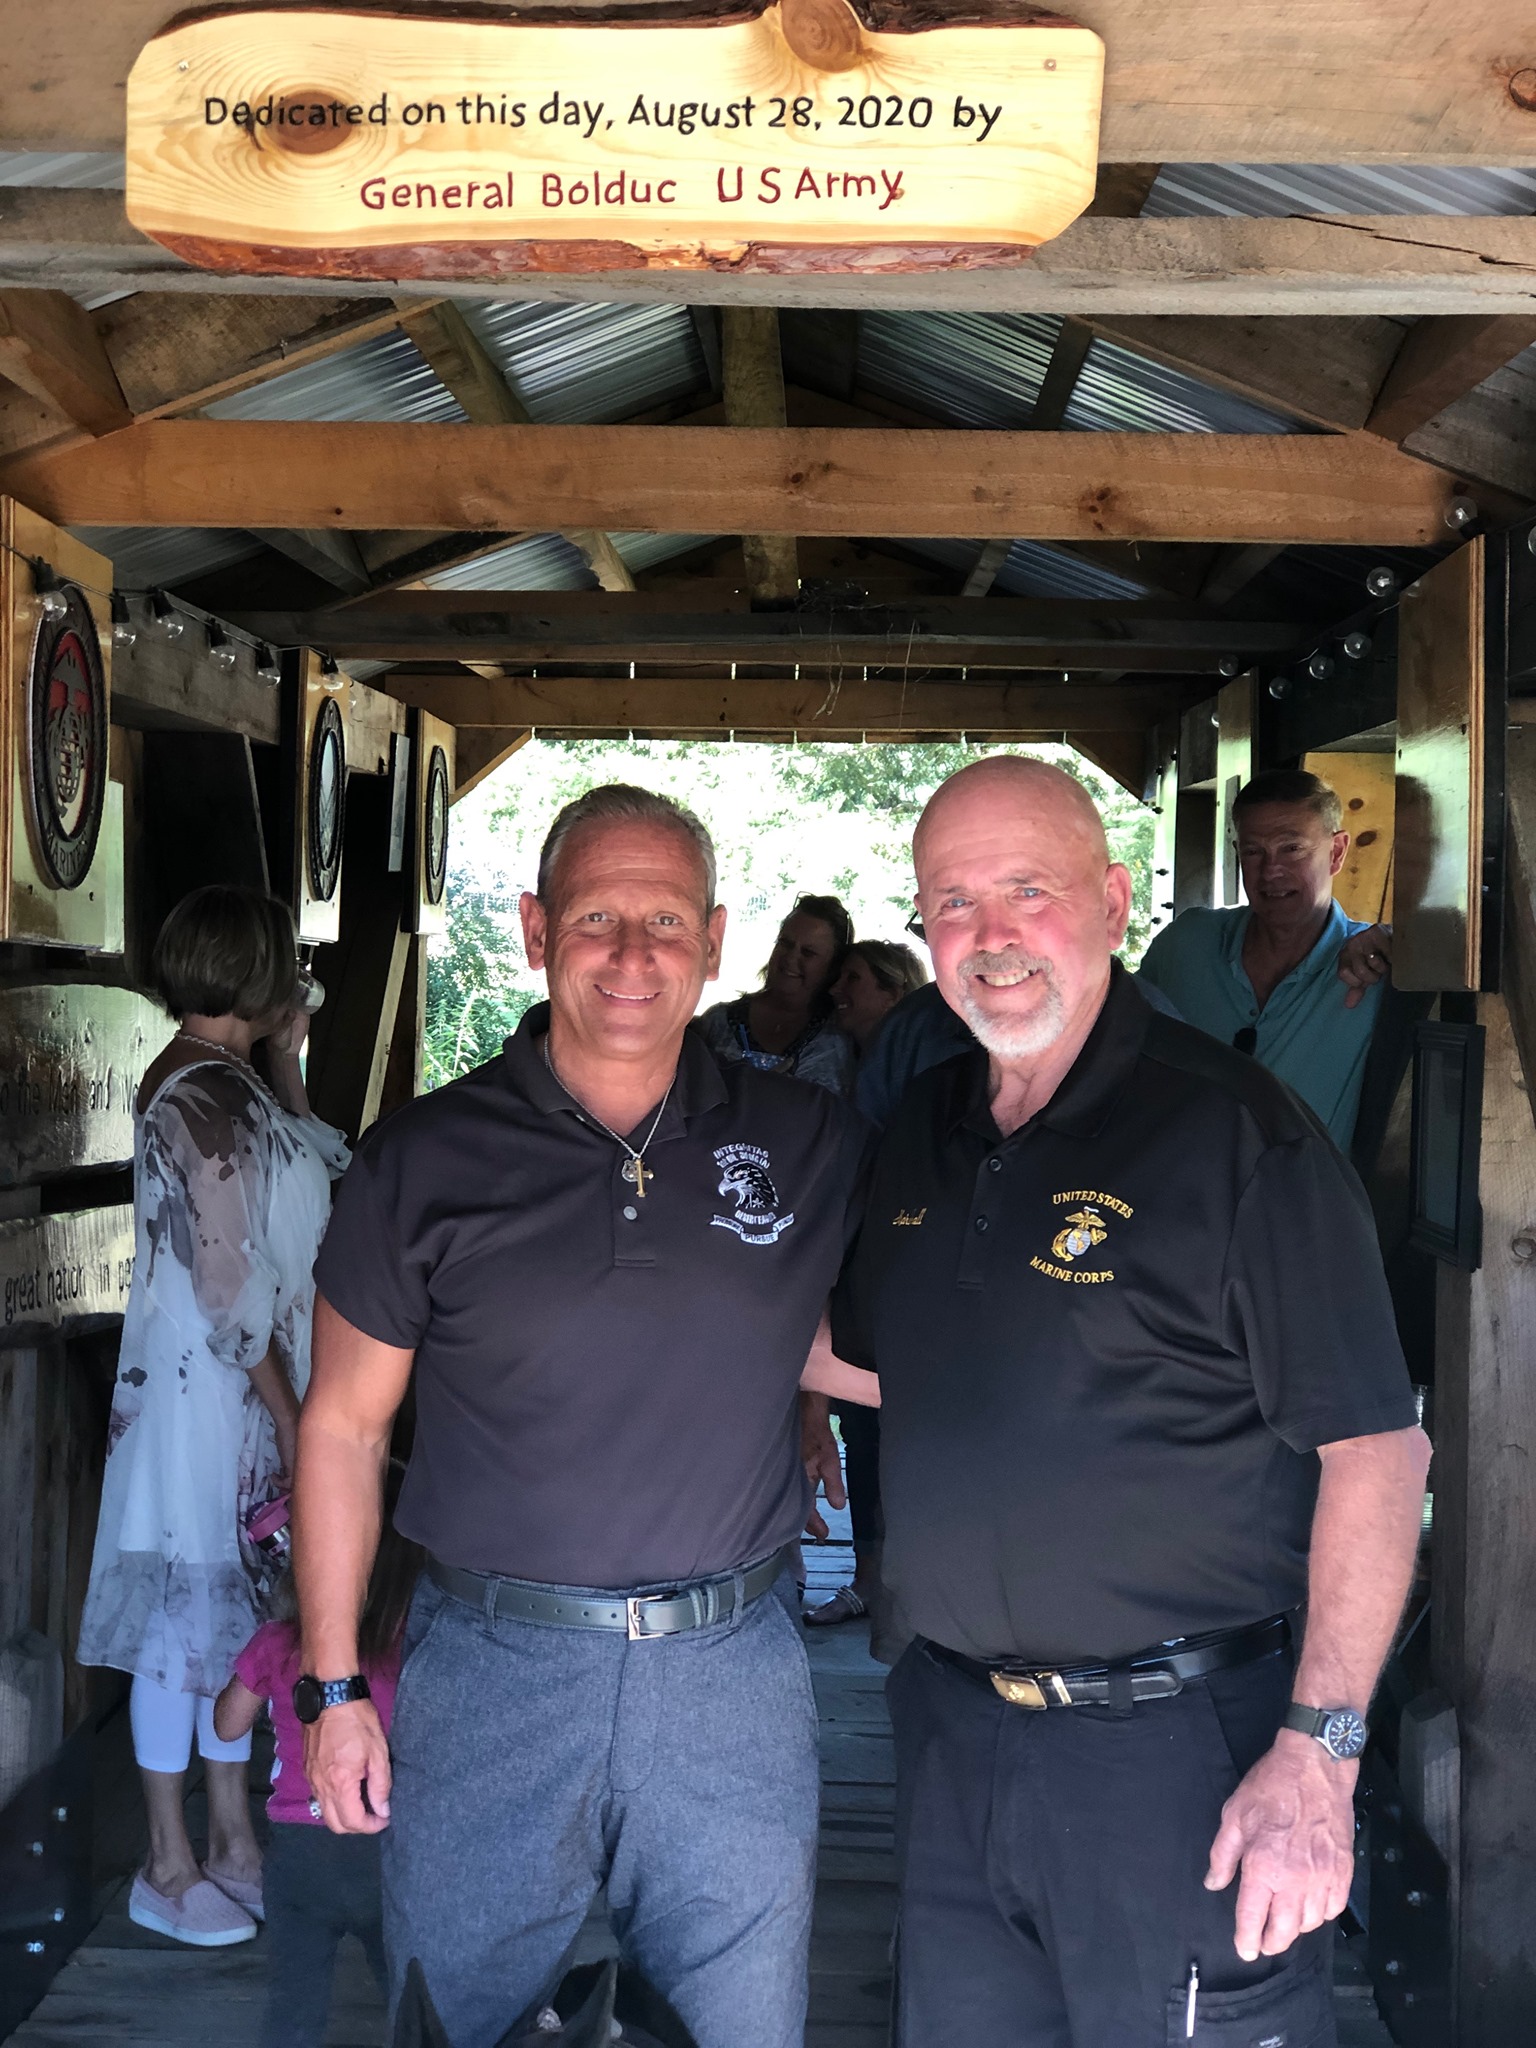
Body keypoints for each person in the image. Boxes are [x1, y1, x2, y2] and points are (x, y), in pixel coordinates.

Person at [830, 756, 1430, 2045]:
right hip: (950, 1733)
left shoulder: (1238, 1138)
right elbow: (878, 1356)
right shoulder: (927, 1125)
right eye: (952, 901)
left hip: (1181, 1756)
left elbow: (1378, 1447)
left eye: (1027, 890)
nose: (989, 936)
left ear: (1111, 903)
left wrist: (1320, 1754)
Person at [293, 786, 869, 2048]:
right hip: (494, 1664)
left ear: (716, 941)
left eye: (664, 919)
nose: (631, 953)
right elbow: (339, 1426)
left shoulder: (809, 1138)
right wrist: (334, 1684)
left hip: (734, 1670)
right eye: (597, 914)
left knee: (741, 2025)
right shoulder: (423, 1158)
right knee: (458, 2018)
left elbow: (877, 1341)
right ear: (535, 927)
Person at [76, 886, 349, 1947]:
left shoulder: (228, 1085)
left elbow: (326, 1156)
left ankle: (230, 1837)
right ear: (261, 968)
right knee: (175, 1626)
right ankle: (166, 1856)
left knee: (229, 1619)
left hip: (225, 1386)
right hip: (212, 1396)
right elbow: (231, 1285)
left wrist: (287, 1053)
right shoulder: (200, 1102)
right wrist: (291, 1414)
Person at [214, 1463, 422, 2048]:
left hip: (300, 1852)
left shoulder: (278, 1644)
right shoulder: (411, 1648)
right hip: (385, 1845)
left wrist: (259, 1666)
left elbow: (226, 1727)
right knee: (410, 2001)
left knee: (294, 2010)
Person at [1137, 768, 1385, 1150]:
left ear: (1336, 852)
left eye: (1292, 848)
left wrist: (1400, 936)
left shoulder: (1372, 966)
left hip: (1309, 1205)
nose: (1271, 871)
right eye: (1254, 851)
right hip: (1177, 1199)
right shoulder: (1186, 945)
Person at [807, 940, 926, 1632]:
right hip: (858, 1266)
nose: (837, 993)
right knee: (865, 1429)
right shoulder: (842, 1062)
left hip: (901, 1264)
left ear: (892, 989)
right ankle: (867, 1576)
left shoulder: (923, 1051)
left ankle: (894, 1582)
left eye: (852, 981)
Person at [695, 892, 856, 1094]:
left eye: (808, 953)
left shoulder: (839, 1039)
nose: (790, 958)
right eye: (785, 944)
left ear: (833, 965)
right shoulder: (718, 1023)